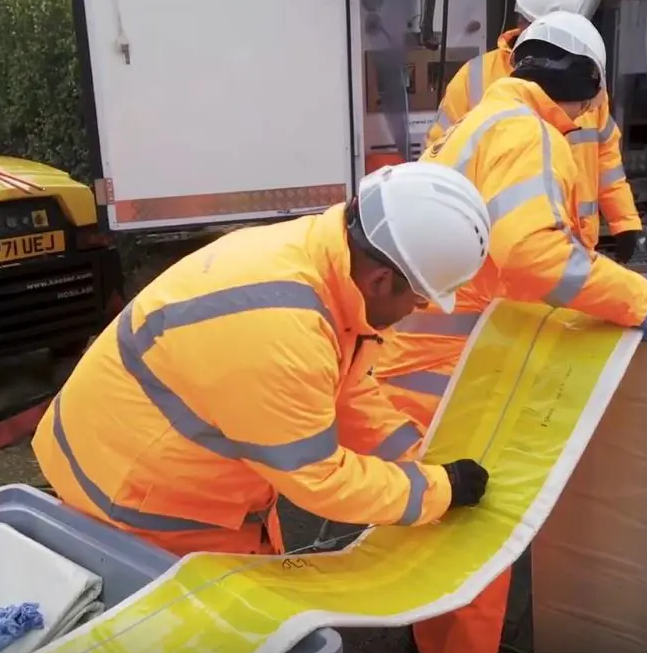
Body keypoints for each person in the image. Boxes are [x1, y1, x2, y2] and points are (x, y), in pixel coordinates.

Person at [380, 11, 647, 653]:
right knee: (481, 551)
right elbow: (531, 255)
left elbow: (499, 260)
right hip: (452, 384)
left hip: (415, 374)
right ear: (584, 81)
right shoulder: (525, 132)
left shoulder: (478, 123)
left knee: (435, 547)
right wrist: (630, 297)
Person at [34, 162, 495, 559]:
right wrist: (438, 491)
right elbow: (321, 478)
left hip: (140, 459)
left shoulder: (319, 258)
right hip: (139, 503)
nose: (416, 311)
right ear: (379, 280)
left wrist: (416, 458)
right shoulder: (285, 331)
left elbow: (344, 390)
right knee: (228, 647)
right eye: (418, 300)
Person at [428, 0, 645, 262]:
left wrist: (625, 222)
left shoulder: (588, 83)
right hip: (500, 255)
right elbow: (440, 164)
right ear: (524, 23)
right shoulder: (476, 78)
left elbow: (606, 159)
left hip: (574, 247)